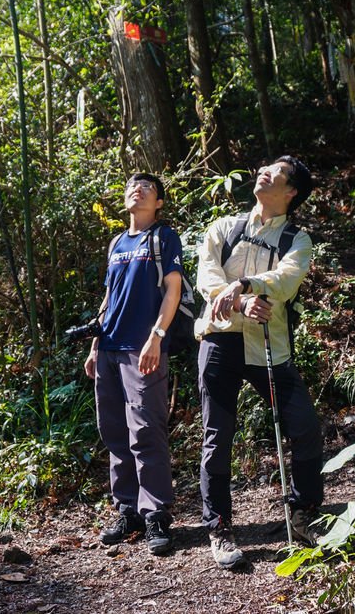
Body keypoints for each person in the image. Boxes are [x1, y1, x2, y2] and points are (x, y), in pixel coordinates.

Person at [194, 156, 324, 569]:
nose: (264, 172)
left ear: (291, 192)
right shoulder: (223, 228)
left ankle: (303, 515)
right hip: (219, 343)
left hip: (270, 348)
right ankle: (219, 528)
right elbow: (206, 278)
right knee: (218, 437)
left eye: (277, 172)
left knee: (304, 429)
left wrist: (247, 284)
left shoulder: (296, 240)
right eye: (265, 167)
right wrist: (242, 301)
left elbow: (286, 282)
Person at [84, 173, 182, 556]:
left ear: (158, 202)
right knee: (114, 432)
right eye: (130, 186)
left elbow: (172, 289)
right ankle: (128, 511)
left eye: (146, 188)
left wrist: (156, 336)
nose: (136, 191)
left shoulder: (163, 237)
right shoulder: (116, 242)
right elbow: (109, 297)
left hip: (143, 349)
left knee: (146, 431)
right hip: (109, 349)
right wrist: (95, 345)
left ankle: (156, 513)